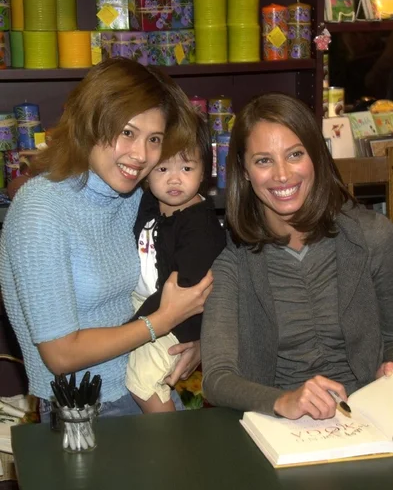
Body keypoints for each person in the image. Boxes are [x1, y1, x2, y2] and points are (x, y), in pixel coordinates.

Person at [0, 58, 213, 420]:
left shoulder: (134, 198)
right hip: (84, 410)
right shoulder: (40, 211)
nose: (141, 155)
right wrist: (161, 321)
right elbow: (61, 354)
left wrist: (196, 341)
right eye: (127, 132)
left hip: (148, 385)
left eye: (154, 139)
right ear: (90, 122)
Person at [201, 92, 393, 421]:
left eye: (294, 154)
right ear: (244, 171)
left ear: (315, 156)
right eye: (263, 160)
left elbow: (390, 337)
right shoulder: (232, 262)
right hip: (277, 427)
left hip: (367, 420)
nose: (282, 174)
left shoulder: (373, 236)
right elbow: (216, 379)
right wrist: (284, 400)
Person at [126, 113, 225, 413]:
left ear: (203, 172)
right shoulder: (151, 204)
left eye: (186, 167)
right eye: (162, 168)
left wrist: (132, 330)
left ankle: (169, 439)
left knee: (141, 380)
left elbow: (185, 291)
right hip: (147, 301)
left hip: (180, 316)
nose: (174, 178)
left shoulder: (200, 227)